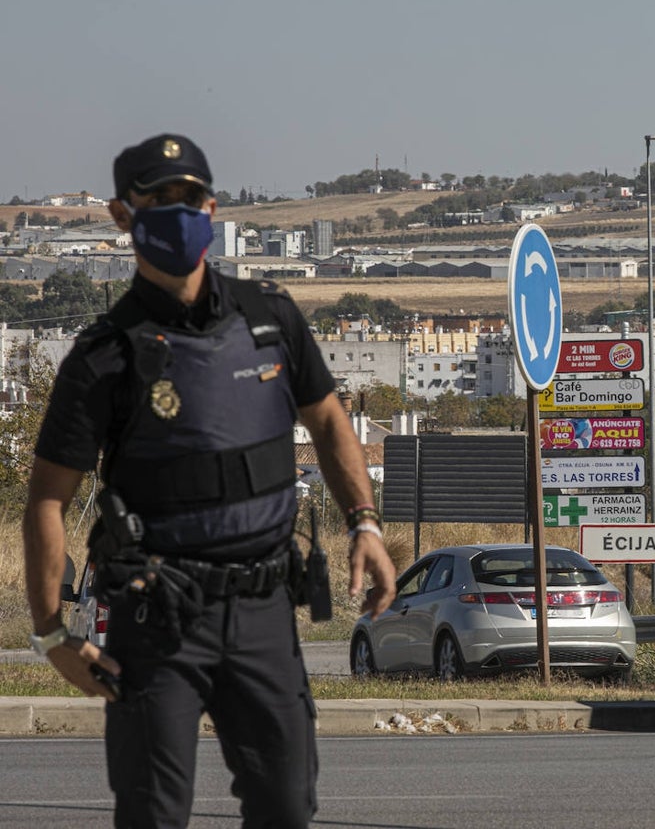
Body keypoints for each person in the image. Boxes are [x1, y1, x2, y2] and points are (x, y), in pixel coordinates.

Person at [23, 132, 397, 828]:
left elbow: (329, 421)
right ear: (121, 216)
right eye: (156, 200)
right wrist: (51, 635)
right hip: (156, 619)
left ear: (213, 206)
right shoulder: (102, 355)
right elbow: (47, 498)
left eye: (189, 197)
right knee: (154, 813)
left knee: (288, 805)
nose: (176, 211)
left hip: (261, 611)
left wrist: (365, 524)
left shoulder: (271, 319)